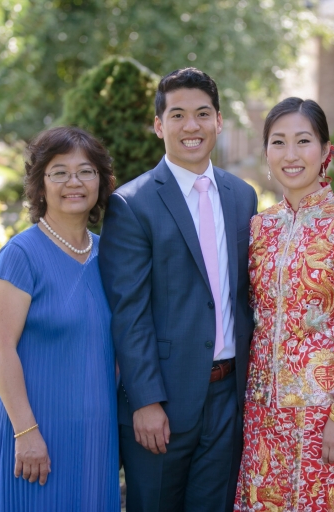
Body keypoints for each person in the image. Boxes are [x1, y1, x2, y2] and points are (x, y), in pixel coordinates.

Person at [98, 67, 258, 512]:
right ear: (158, 125)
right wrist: (146, 400)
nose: (192, 126)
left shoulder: (242, 196)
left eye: (203, 114)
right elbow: (128, 314)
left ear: (219, 121)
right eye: (178, 115)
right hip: (163, 401)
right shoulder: (132, 204)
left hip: (228, 397)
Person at [234, 97, 334, 511]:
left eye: (303, 141)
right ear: (266, 153)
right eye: (279, 142)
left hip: (325, 414)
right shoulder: (259, 227)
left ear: (325, 150)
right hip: (263, 415)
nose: (291, 154)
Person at [0, 126, 120, 511]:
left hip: (96, 436)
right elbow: (1, 349)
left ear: (101, 181)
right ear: (40, 184)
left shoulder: (110, 255)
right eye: (59, 172)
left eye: (86, 171)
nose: (73, 182)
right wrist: (26, 432)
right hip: (37, 434)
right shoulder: (20, 255)